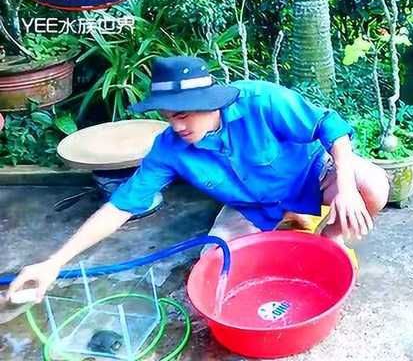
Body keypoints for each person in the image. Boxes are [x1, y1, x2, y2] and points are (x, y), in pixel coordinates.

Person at [5, 56, 390, 303]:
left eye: (187, 113)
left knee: (371, 185)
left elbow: (331, 126)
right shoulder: (168, 148)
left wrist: (344, 181)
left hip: (312, 175)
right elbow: (121, 205)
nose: (179, 124)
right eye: (170, 115)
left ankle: (330, 238)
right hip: (251, 206)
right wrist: (53, 263)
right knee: (215, 267)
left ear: (211, 103)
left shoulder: (261, 100)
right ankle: (284, 222)